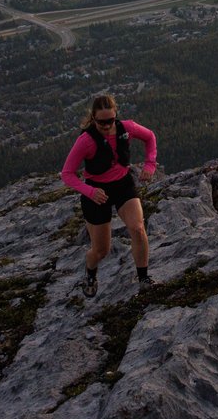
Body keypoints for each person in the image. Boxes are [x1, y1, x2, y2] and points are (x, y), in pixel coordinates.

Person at [60, 94, 158, 296]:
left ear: (116, 116)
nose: (106, 126)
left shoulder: (127, 128)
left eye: (110, 121)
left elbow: (150, 137)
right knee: (101, 250)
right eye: (101, 122)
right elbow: (67, 174)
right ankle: (90, 272)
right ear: (93, 119)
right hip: (96, 192)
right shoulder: (85, 141)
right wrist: (90, 191)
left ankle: (144, 279)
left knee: (138, 228)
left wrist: (150, 164)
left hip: (122, 184)